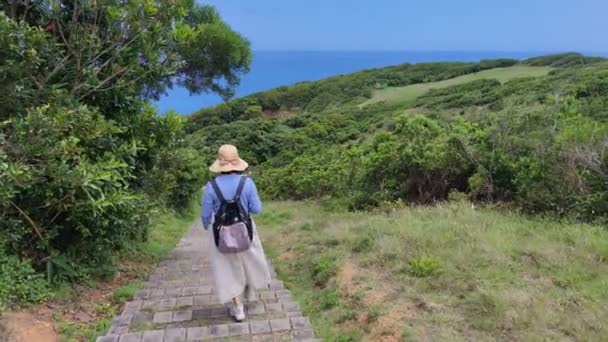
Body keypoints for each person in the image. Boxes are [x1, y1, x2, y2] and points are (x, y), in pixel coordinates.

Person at [201, 144, 271, 322]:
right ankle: (251, 288)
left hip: (221, 234)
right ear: (238, 163)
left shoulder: (211, 186)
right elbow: (257, 209)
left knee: (227, 268)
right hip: (246, 231)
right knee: (251, 259)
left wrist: (205, 226)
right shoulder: (247, 183)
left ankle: (238, 307)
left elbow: (205, 215)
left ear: (220, 165)